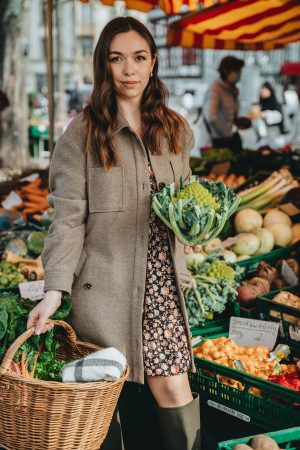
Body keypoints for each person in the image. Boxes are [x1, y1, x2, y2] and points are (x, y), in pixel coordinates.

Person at [26, 16, 200, 450]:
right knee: (108, 407)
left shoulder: (175, 131)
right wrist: (53, 290)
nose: (129, 70)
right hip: (105, 287)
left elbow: (188, 201)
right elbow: (67, 219)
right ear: (103, 65)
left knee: (174, 390)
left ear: (154, 62)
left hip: (161, 287)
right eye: (117, 59)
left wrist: (194, 231)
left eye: (139, 58)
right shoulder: (80, 136)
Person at [202, 55, 248, 152]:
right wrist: (226, 132)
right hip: (218, 141)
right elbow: (211, 116)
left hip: (230, 138)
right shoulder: (215, 89)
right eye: (237, 72)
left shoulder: (232, 90)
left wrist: (238, 122)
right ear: (226, 72)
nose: (239, 75)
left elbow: (230, 113)